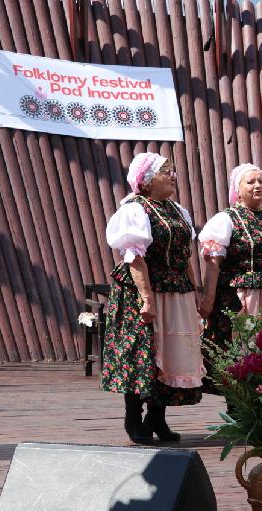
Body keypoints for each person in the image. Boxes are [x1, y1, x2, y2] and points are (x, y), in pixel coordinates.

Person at [102, 152, 204, 444]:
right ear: (146, 181)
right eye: (166, 172)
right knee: (141, 353)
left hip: (176, 289)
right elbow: (134, 258)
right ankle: (133, 418)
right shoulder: (134, 209)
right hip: (146, 289)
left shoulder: (176, 210)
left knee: (171, 353)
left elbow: (185, 255)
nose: (173, 176)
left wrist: (193, 290)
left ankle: (157, 418)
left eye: (173, 170)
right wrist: (146, 298)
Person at [199, 164, 262, 360]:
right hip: (242, 297)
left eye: (261, 181)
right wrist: (208, 301)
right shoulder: (226, 219)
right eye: (250, 182)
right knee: (246, 348)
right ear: (238, 190)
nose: (257, 185)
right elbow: (213, 263)